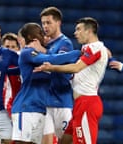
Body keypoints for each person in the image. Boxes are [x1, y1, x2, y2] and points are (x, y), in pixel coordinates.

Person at [34, 17, 109, 144]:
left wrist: (51, 67)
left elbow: (76, 68)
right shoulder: (88, 49)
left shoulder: (95, 48)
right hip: (80, 104)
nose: (75, 33)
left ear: (89, 31)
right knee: (64, 141)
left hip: (87, 103)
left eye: (79, 29)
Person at [11, 22, 81, 144]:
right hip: (25, 108)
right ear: (33, 38)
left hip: (40, 109)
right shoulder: (27, 52)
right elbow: (52, 59)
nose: (45, 36)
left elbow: (51, 58)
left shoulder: (41, 54)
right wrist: (79, 53)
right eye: (41, 34)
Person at [40, 6, 75, 144]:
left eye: (48, 22)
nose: (45, 26)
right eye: (43, 23)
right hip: (45, 102)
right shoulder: (46, 44)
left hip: (62, 102)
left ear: (58, 23)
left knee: (66, 141)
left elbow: (58, 64)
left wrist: (42, 51)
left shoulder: (65, 43)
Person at [0, 32, 21, 144]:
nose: (11, 50)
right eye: (7, 47)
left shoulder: (22, 65)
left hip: (15, 110)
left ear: (18, 48)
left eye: (13, 47)